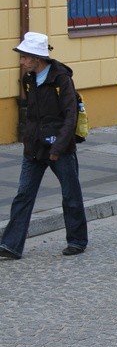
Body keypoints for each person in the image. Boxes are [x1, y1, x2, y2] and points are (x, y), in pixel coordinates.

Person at [0, 32, 88, 259]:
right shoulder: (29, 79)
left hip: (60, 148)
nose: (21, 61)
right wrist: (29, 142)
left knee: (71, 194)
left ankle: (77, 240)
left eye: (24, 57)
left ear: (36, 59)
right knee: (23, 195)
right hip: (34, 147)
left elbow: (70, 116)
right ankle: (11, 245)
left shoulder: (61, 79)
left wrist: (58, 147)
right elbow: (33, 116)